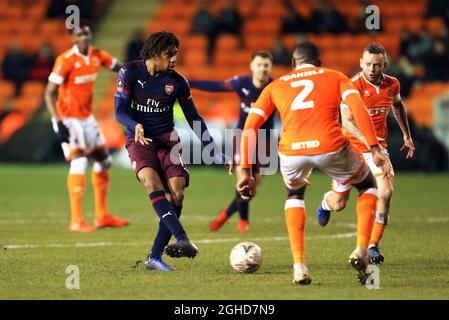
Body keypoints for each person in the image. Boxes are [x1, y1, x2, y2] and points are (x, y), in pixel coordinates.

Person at [237, 42, 390, 285]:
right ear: (319, 62)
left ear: (293, 64)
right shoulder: (335, 77)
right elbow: (357, 107)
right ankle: (361, 249)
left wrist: (245, 170)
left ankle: (299, 266)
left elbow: (250, 126)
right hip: (330, 145)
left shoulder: (275, 85)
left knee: (295, 194)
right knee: (369, 186)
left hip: (292, 151)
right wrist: (373, 147)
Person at [114, 31, 231, 271]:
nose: (175, 58)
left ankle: (154, 257)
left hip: (169, 141)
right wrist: (134, 124)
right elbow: (119, 111)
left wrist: (215, 151)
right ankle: (182, 239)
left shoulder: (178, 82)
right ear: (156, 54)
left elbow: (194, 118)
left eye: (176, 54)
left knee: (177, 193)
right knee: (151, 182)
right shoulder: (129, 72)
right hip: (141, 140)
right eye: (171, 54)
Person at [317, 43, 415, 265]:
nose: (372, 69)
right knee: (339, 202)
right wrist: (372, 145)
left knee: (386, 192)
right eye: (368, 64)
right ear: (361, 63)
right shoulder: (351, 86)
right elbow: (348, 123)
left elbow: (398, 107)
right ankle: (325, 203)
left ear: (384, 65)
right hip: (350, 150)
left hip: (377, 151)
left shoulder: (392, 85)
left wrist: (407, 135)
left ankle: (372, 246)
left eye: (377, 65)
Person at [45, 24, 128, 233]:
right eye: (79, 34)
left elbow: (121, 67)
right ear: (73, 38)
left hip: (87, 118)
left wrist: (142, 73)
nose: (83, 37)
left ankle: (102, 216)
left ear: (90, 35)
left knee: (104, 160)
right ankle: (76, 220)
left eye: (86, 33)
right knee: (80, 161)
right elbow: (49, 93)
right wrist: (58, 122)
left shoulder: (97, 55)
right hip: (68, 119)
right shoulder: (65, 60)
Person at [190, 50, 274, 233]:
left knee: (254, 188)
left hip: (266, 141)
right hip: (242, 137)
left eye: (266, 65)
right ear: (252, 66)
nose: (262, 69)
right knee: (244, 181)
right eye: (259, 65)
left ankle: (226, 214)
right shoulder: (241, 82)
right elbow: (216, 86)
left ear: (270, 67)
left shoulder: (275, 87)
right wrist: (188, 83)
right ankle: (243, 220)